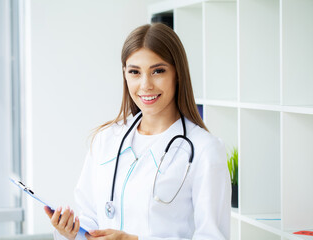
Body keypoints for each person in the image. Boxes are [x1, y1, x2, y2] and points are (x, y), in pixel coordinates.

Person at [44, 23, 231, 240]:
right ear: (125, 74)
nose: (145, 85)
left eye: (158, 71)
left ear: (177, 74)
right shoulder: (106, 140)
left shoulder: (205, 150)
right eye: (135, 72)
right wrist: (70, 232)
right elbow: (91, 218)